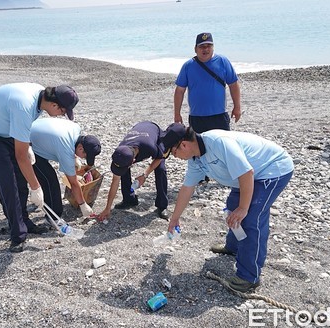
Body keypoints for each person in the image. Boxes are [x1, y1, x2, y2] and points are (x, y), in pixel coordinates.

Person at [165, 126, 294, 293]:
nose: (176, 157)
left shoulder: (219, 142)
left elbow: (247, 173)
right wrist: (175, 218)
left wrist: (244, 208)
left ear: (183, 145)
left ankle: (249, 277)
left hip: (272, 169)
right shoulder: (195, 159)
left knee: (251, 217)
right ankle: (234, 247)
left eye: (174, 153)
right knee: (233, 204)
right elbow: (187, 188)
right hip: (246, 175)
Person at [0, 83, 79, 252]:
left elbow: (22, 130)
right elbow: (21, 157)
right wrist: (36, 188)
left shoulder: (40, 98)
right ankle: (18, 235)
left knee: (21, 179)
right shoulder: (25, 106)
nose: (61, 116)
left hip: (5, 131)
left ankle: (25, 222)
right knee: (8, 183)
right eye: (63, 112)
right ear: (54, 105)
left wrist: (26, 145)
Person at [174, 32, 241, 184]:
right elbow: (179, 90)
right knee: (197, 148)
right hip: (197, 116)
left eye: (208, 46)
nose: (205, 49)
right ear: (195, 49)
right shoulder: (188, 66)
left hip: (219, 115)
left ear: (213, 47)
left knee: (225, 147)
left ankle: (229, 175)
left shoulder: (223, 61)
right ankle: (201, 176)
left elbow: (233, 84)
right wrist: (177, 113)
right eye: (202, 46)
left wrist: (237, 107)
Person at [97, 122, 185, 222]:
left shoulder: (150, 146)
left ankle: (162, 205)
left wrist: (145, 175)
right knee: (123, 169)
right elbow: (115, 181)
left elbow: (159, 158)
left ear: (133, 161)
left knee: (160, 169)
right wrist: (107, 208)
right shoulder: (121, 151)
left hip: (153, 131)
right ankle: (129, 200)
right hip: (140, 130)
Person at [29, 117, 101, 224]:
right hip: (25, 142)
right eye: (84, 156)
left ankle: (44, 200)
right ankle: (53, 217)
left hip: (34, 129)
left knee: (46, 175)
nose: (83, 158)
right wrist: (82, 204)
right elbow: (73, 183)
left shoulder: (76, 128)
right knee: (50, 179)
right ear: (80, 148)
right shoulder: (66, 150)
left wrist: (75, 157)